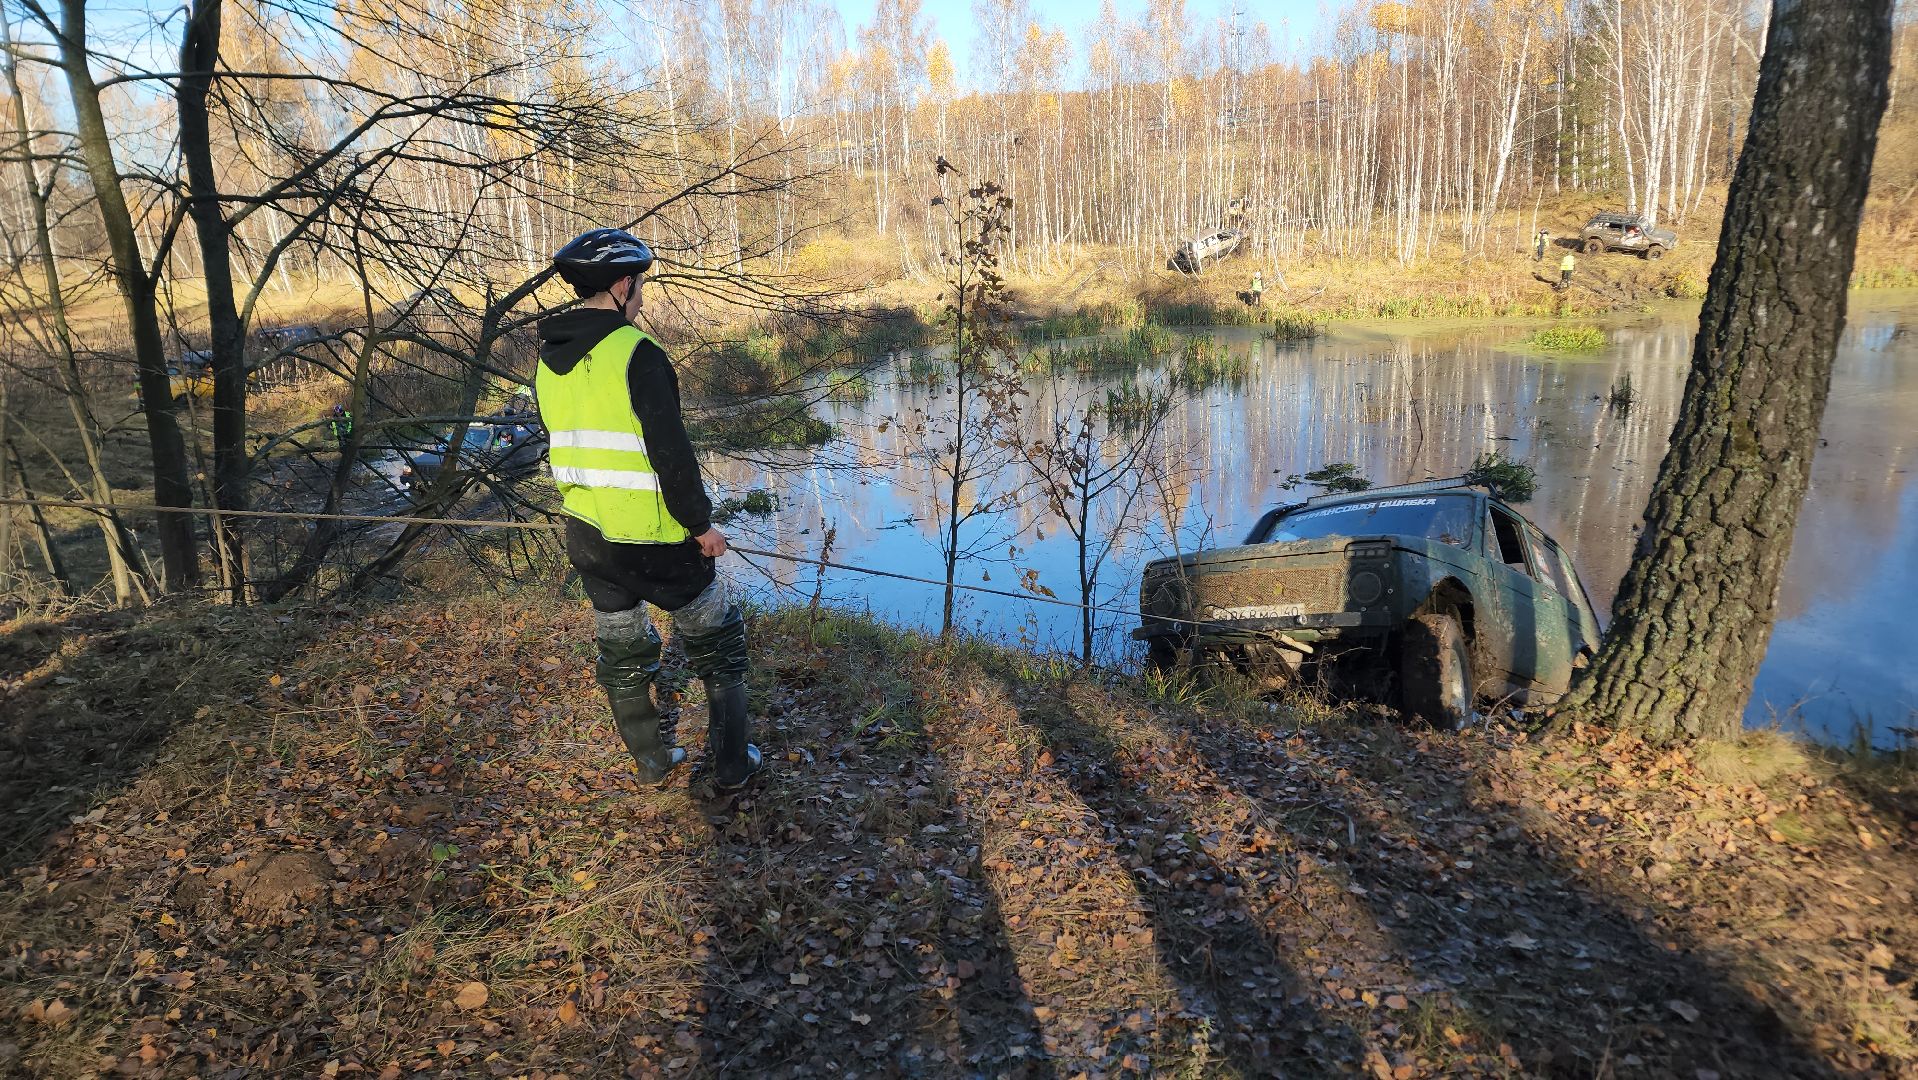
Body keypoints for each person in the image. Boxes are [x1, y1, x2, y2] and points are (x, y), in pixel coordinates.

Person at [536, 228, 763, 790]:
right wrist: (701, 526)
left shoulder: (548, 360)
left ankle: (652, 762)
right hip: (657, 540)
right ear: (621, 284)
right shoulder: (637, 353)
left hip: (589, 535)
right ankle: (733, 767)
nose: (642, 296)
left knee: (621, 651)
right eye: (639, 285)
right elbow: (670, 452)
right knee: (719, 644)